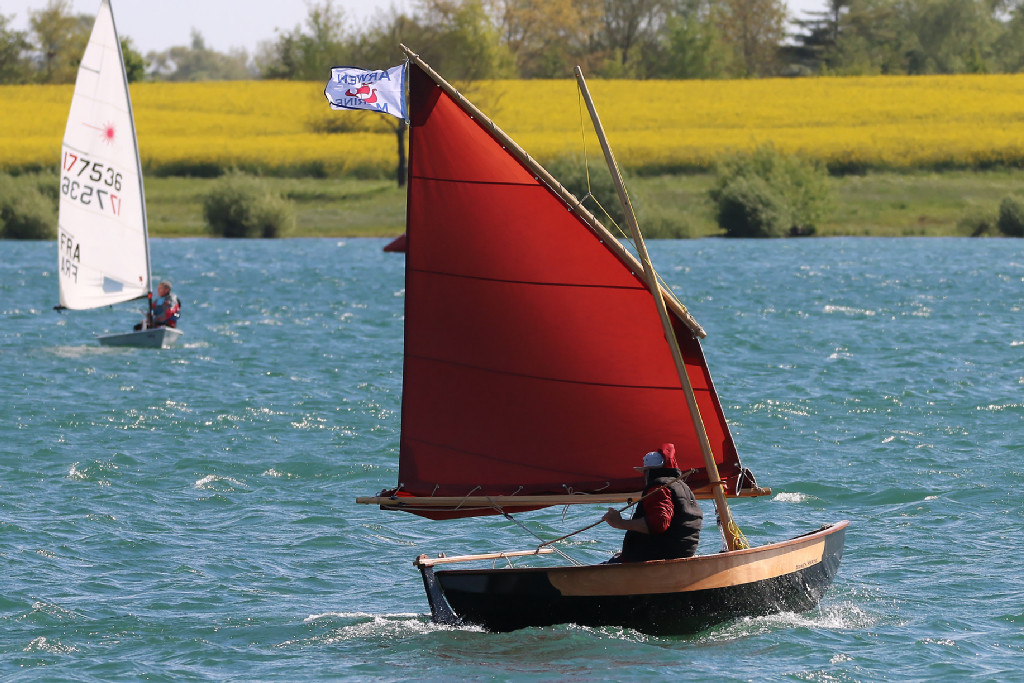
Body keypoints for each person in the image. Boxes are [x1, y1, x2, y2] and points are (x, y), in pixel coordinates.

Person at [602, 443, 703, 562]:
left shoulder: (658, 488)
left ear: (648, 472)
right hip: (682, 554)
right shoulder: (683, 487)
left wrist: (619, 523)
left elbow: (659, 523)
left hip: (655, 558)